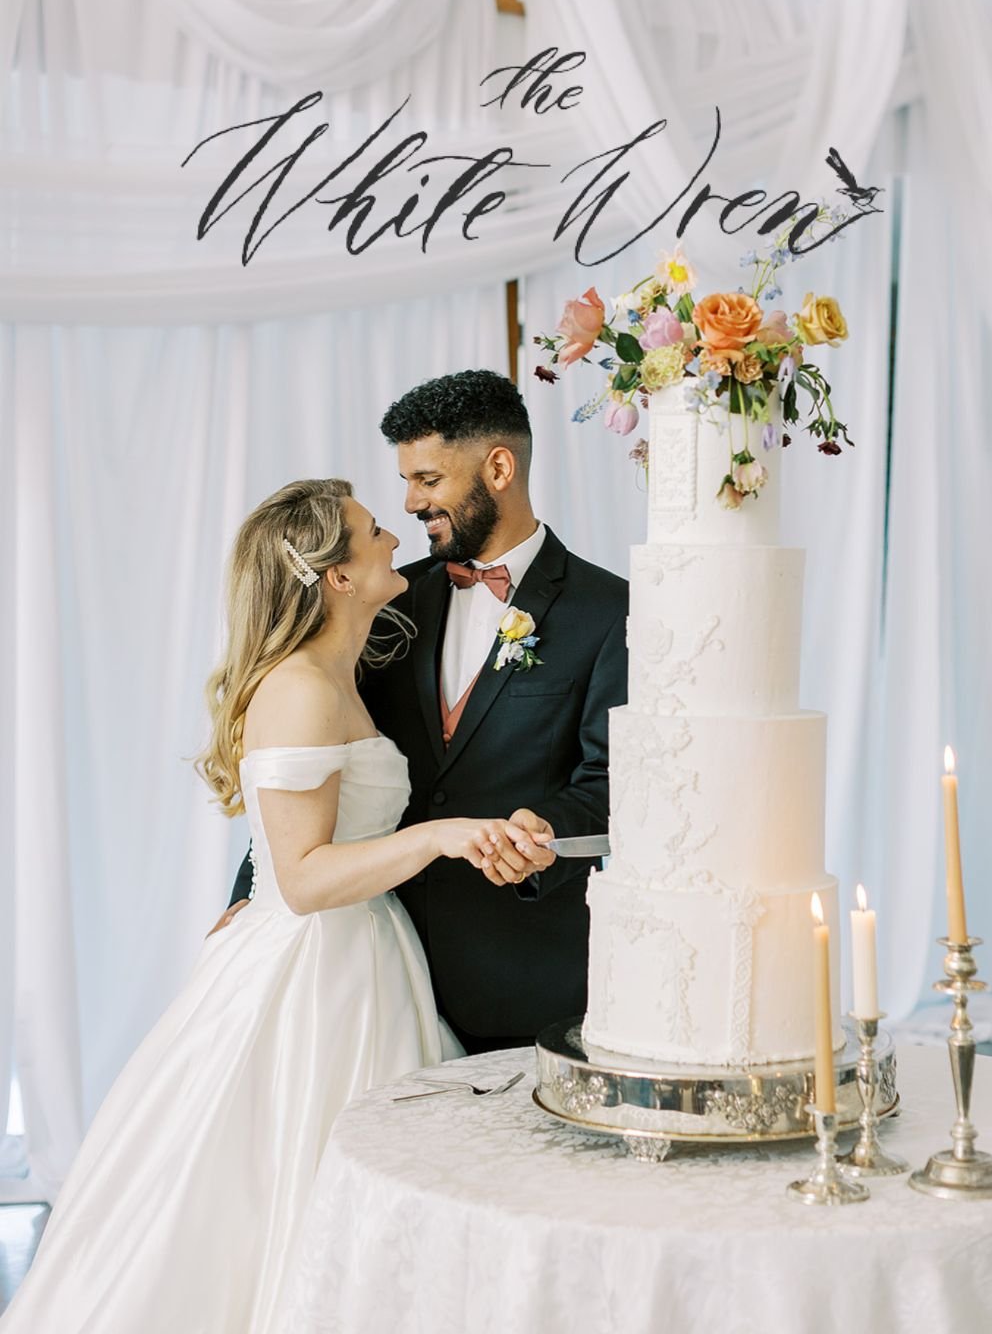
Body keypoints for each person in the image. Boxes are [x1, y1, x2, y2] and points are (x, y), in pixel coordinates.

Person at [2, 478, 546, 1334]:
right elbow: (300, 880)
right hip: (314, 972)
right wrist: (439, 837)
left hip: (365, 954)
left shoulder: (340, 675)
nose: (390, 538)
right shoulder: (299, 690)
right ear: (334, 575)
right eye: (371, 533)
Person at [227, 372, 629, 1053]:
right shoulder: (384, 600)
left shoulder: (607, 610)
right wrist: (252, 890)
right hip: (372, 971)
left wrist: (543, 836)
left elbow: (614, 781)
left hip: (524, 974)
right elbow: (306, 762)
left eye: (428, 479)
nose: (411, 502)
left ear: (498, 468)